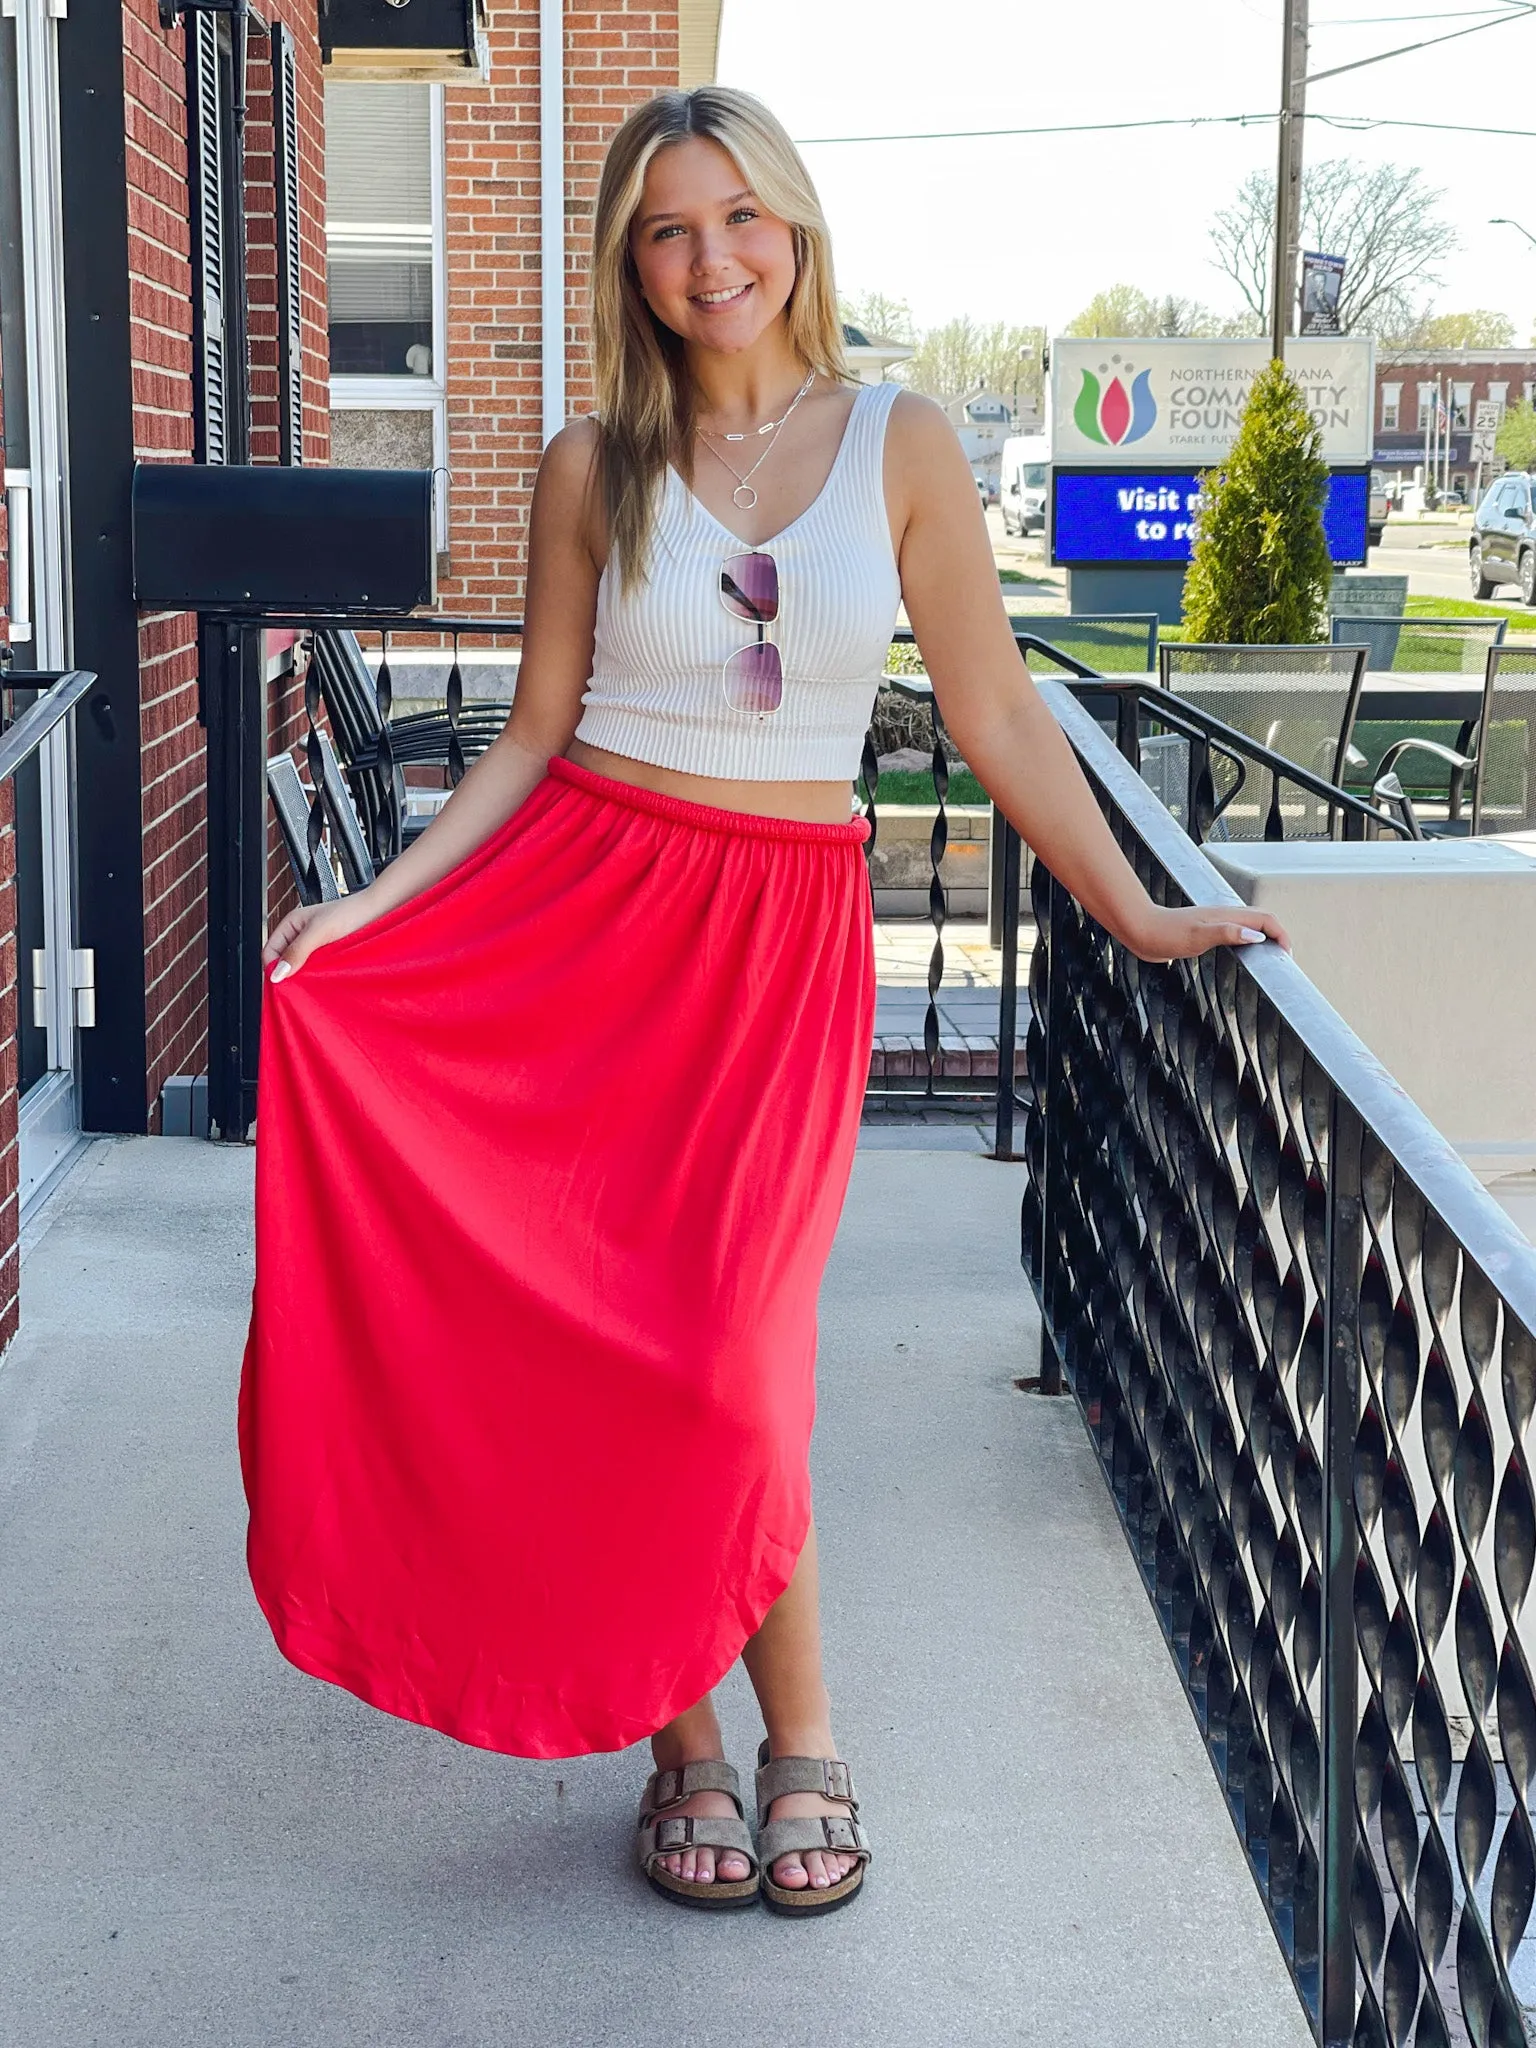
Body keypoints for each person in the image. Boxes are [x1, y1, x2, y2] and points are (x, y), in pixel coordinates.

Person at [246, 85, 1286, 1920]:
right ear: (629, 264)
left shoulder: (898, 443)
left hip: (774, 942)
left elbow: (997, 717)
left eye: (739, 218)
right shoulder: (595, 462)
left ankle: (801, 1736)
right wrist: (374, 904)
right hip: (581, 924)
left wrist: (1131, 913)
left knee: (733, 1369)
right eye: (667, 229)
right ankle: (692, 1747)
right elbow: (531, 739)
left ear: (795, 230)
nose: (709, 258)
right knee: (607, 1358)